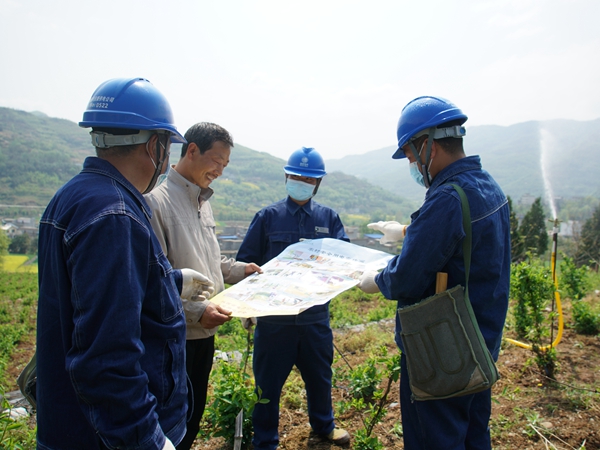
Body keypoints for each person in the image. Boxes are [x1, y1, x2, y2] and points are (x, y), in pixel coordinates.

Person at [36, 78, 215, 450]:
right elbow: (108, 358)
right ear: (155, 146)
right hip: (104, 437)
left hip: (70, 423)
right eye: (167, 147)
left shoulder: (74, 195)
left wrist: (172, 281)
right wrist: (148, 440)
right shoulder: (115, 215)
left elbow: (86, 296)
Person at [359, 96, 511, 449]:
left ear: (428, 145)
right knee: (473, 434)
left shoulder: (447, 198)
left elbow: (407, 277)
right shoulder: (487, 186)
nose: (412, 164)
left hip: (442, 350)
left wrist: (376, 279)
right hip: (480, 343)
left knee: (435, 438)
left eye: (410, 154)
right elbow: (463, 241)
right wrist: (408, 231)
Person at [145, 122, 262, 450]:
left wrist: (239, 270)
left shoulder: (202, 201)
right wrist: (197, 312)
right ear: (192, 150)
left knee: (192, 417)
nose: (220, 171)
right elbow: (153, 281)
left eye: (225, 165)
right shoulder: (156, 202)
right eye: (217, 161)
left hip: (204, 335)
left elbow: (208, 260)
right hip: (175, 339)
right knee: (171, 422)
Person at [236, 147, 351, 449]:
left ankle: (324, 426)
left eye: (309, 179)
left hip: (315, 319)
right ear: (287, 177)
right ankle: (265, 440)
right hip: (275, 322)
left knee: (320, 378)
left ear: (318, 183)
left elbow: (345, 260)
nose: (302, 182)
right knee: (268, 386)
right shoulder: (267, 218)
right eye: (297, 177)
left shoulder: (329, 218)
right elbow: (246, 264)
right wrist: (247, 306)